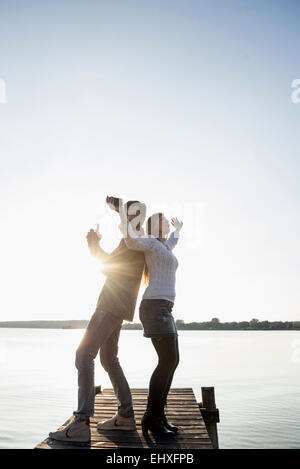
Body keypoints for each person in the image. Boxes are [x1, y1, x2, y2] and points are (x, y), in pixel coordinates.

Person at [49, 197, 146, 443]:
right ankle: (125, 416)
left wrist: (93, 242)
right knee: (109, 359)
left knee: (84, 355)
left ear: (138, 217)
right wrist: (95, 243)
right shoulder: (133, 241)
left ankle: (81, 422)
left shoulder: (132, 239)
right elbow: (110, 265)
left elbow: (107, 267)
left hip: (110, 305)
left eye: (133, 213)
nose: (129, 216)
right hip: (118, 307)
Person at [117, 200, 183, 438]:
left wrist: (178, 230)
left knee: (172, 361)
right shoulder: (149, 242)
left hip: (165, 307)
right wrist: (122, 217)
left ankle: (158, 415)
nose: (167, 222)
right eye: (164, 220)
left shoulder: (164, 246)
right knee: (167, 361)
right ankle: (152, 416)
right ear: (155, 225)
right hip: (154, 307)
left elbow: (173, 241)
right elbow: (130, 240)